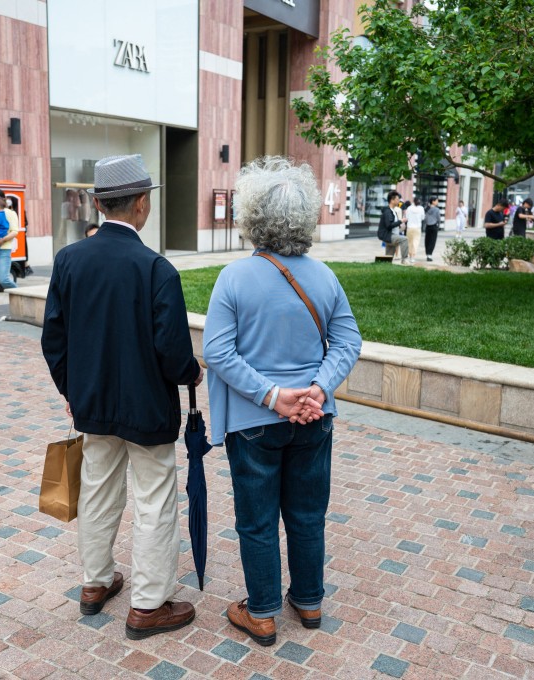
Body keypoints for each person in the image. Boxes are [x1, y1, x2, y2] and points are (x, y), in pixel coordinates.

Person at [41, 154, 203, 641]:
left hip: (91, 403)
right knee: (154, 500)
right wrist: (192, 374)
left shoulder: (69, 260)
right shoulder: (156, 268)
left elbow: (54, 338)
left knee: (97, 489)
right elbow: (172, 351)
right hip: (147, 406)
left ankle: (95, 582)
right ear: (142, 204)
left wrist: (72, 390)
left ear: (97, 202)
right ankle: (149, 605)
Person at [203, 157, 362, 647]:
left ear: (253, 217)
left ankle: (264, 611)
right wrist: (318, 388)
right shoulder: (325, 276)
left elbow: (216, 352)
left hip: (255, 422)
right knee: (308, 514)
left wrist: (273, 396)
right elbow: (348, 340)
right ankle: (309, 601)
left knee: (257, 519)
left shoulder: (233, 278)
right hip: (315, 417)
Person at [377, 191, 409, 264]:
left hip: (392, 235)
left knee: (388, 259)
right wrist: (400, 221)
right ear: (392, 200)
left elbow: (393, 224)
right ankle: (404, 259)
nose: (399, 201)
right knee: (404, 239)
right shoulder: (388, 211)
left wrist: (400, 225)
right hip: (389, 235)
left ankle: (385, 266)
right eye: (397, 199)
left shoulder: (393, 211)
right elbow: (389, 225)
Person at [404, 197, 424, 263]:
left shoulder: (409, 208)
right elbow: (422, 218)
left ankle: (410, 256)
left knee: (409, 242)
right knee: (416, 242)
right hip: (417, 228)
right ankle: (413, 256)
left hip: (410, 227)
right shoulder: (421, 208)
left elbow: (406, 217)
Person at [423, 196, 442, 262]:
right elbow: (439, 219)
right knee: (432, 241)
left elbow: (424, 218)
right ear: (433, 201)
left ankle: (427, 253)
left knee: (427, 240)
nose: (437, 202)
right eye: (437, 200)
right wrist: (438, 226)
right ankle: (429, 255)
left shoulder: (426, 209)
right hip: (434, 226)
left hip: (428, 226)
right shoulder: (437, 209)